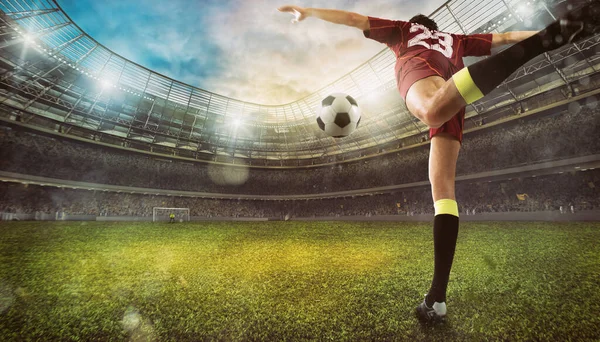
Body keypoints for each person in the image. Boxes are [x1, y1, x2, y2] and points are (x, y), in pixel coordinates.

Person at [278, 2, 600, 324]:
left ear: (416, 24)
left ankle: (539, 44)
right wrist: (547, 33)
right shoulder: (455, 39)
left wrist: (310, 11)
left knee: (431, 110)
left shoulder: (404, 30)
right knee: (443, 192)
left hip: (427, 83)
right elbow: (501, 37)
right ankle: (436, 300)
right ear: (435, 27)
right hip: (454, 94)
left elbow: (353, 18)